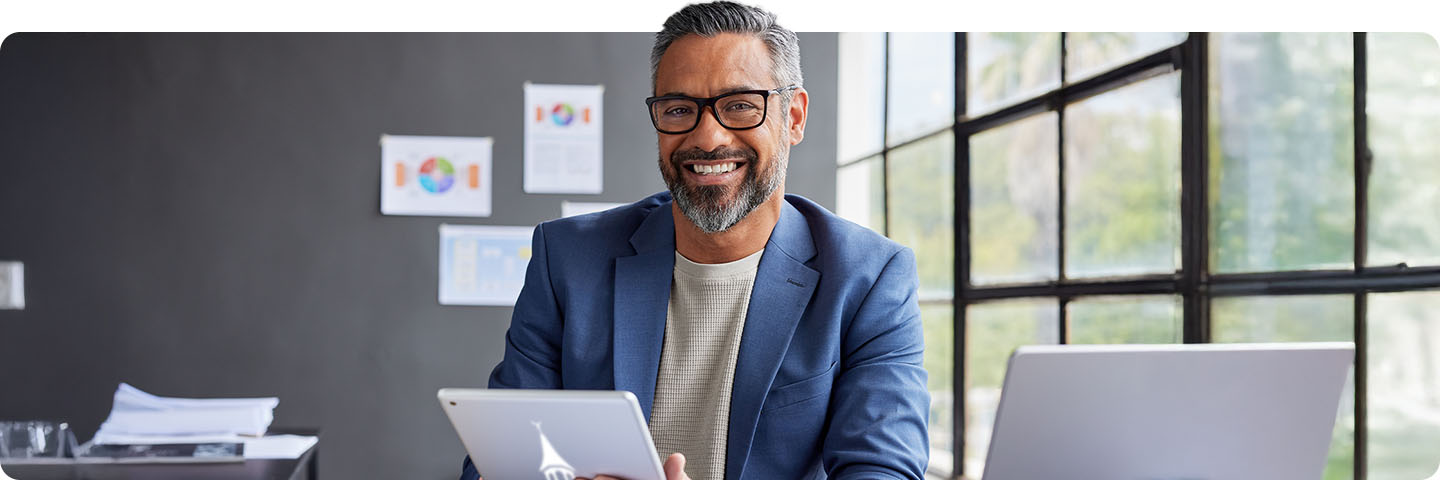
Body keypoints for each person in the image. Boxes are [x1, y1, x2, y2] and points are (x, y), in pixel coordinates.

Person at [461, 2, 929, 479]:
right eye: (680, 109)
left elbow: (881, 471)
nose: (708, 137)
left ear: (794, 117)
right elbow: (497, 461)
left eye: (741, 105)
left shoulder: (869, 277)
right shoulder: (566, 259)